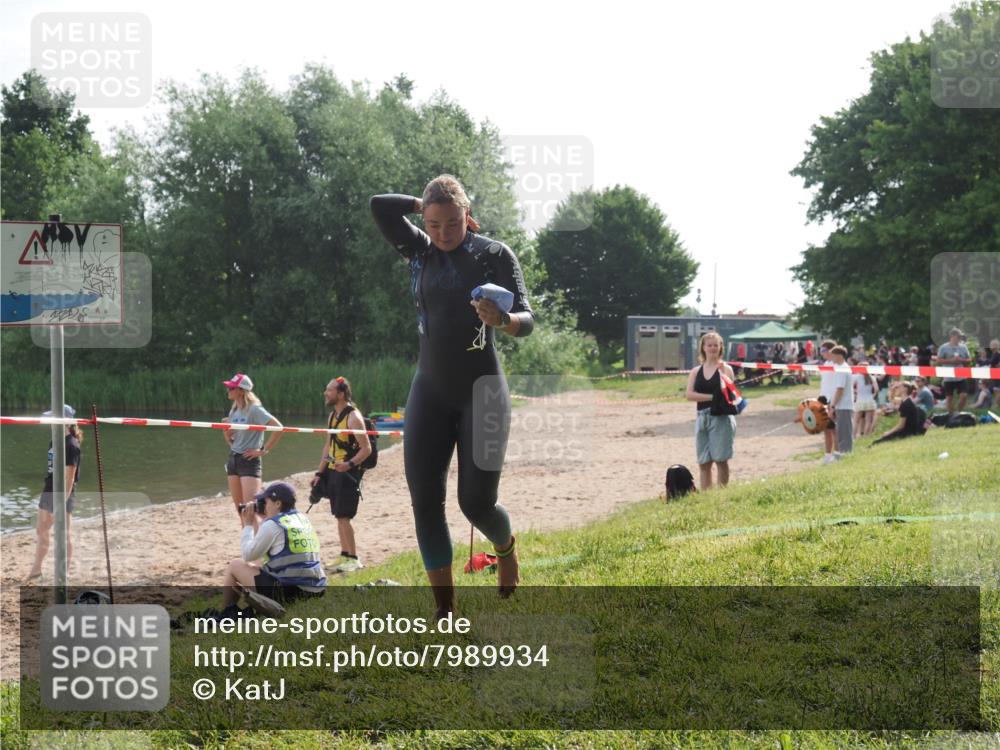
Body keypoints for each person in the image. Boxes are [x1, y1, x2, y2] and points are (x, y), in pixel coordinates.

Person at [370, 175, 534, 619]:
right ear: (425, 218)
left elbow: (528, 317)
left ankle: (505, 547)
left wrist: (502, 321)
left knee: (475, 503)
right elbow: (379, 205)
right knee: (425, 499)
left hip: (483, 394)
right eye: (434, 223)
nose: (443, 233)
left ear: (469, 216)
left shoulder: (493, 254)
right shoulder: (418, 249)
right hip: (430, 391)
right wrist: (425, 201)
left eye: (453, 223)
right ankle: (445, 611)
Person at [222, 481, 326, 609]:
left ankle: (226, 612)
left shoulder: (273, 525)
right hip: (317, 589)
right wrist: (265, 519)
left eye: (265, 502)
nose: (264, 506)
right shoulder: (302, 519)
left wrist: (248, 525)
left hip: (292, 593)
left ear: (278, 503)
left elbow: (248, 555)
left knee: (235, 565)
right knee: (260, 565)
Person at [310, 376, 372, 573]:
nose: (325, 393)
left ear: (341, 393)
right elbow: (328, 447)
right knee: (338, 516)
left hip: (348, 473)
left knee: (344, 516)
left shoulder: (354, 417)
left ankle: (353, 558)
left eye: (329, 390)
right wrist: (319, 472)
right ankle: (344, 554)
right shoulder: (332, 417)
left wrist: (348, 464)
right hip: (333, 471)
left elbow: (367, 448)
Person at [27, 405, 82, 580]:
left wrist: (60, 503)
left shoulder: (71, 444)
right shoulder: (55, 440)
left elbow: (69, 479)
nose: (50, 422)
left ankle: (63, 574)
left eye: (53, 418)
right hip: (49, 489)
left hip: (63, 493)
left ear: (64, 421)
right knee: (41, 530)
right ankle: (36, 571)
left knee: (64, 533)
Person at [221, 373, 283, 523]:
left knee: (252, 511)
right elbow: (231, 437)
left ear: (242, 390)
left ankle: (261, 544)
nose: (228, 390)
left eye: (232, 387)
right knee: (241, 512)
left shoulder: (254, 409)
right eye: (228, 387)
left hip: (249, 461)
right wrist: (227, 434)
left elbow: (278, 428)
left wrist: (263, 450)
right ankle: (248, 546)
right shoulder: (234, 410)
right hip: (233, 459)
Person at [685, 332, 737, 489]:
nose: (713, 348)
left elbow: (730, 394)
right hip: (702, 417)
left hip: (721, 417)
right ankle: (706, 493)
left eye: (716, 345)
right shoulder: (696, 371)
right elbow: (689, 394)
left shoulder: (726, 368)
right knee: (704, 461)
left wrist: (722, 374)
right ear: (703, 347)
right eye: (710, 345)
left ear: (721, 347)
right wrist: (712, 397)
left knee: (721, 460)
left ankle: (722, 493)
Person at [934, 328, 972, 414]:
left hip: (961, 375)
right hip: (948, 377)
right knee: (949, 398)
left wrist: (961, 360)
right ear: (952, 336)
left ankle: (958, 412)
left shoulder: (963, 347)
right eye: (958, 336)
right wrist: (951, 361)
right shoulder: (943, 347)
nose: (960, 338)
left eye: (960, 337)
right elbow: (938, 360)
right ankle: (950, 416)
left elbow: (969, 360)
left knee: (964, 396)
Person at [816, 340, 840, 463]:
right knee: (826, 429)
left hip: (832, 399)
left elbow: (838, 386)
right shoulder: (826, 363)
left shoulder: (837, 365)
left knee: (834, 429)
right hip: (823, 398)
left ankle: (837, 454)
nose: (821, 353)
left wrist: (833, 403)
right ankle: (827, 455)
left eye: (823, 350)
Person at [827, 345, 854, 455]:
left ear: (839, 355)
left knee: (844, 432)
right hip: (842, 405)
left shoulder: (842, 369)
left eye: (833, 355)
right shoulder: (841, 368)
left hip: (844, 405)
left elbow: (840, 390)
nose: (831, 358)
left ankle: (846, 453)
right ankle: (842, 453)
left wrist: (832, 405)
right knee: (840, 431)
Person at [852, 363, 877, 438]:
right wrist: (872, 396)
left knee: (856, 420)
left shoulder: (856, 377)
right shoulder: (872, 377)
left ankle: (853, 436)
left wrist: (855, 392)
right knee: (868, 421)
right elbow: (876, 389)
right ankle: (866, 436)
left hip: (860, 400)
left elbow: (850, 386)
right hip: (870, 400)